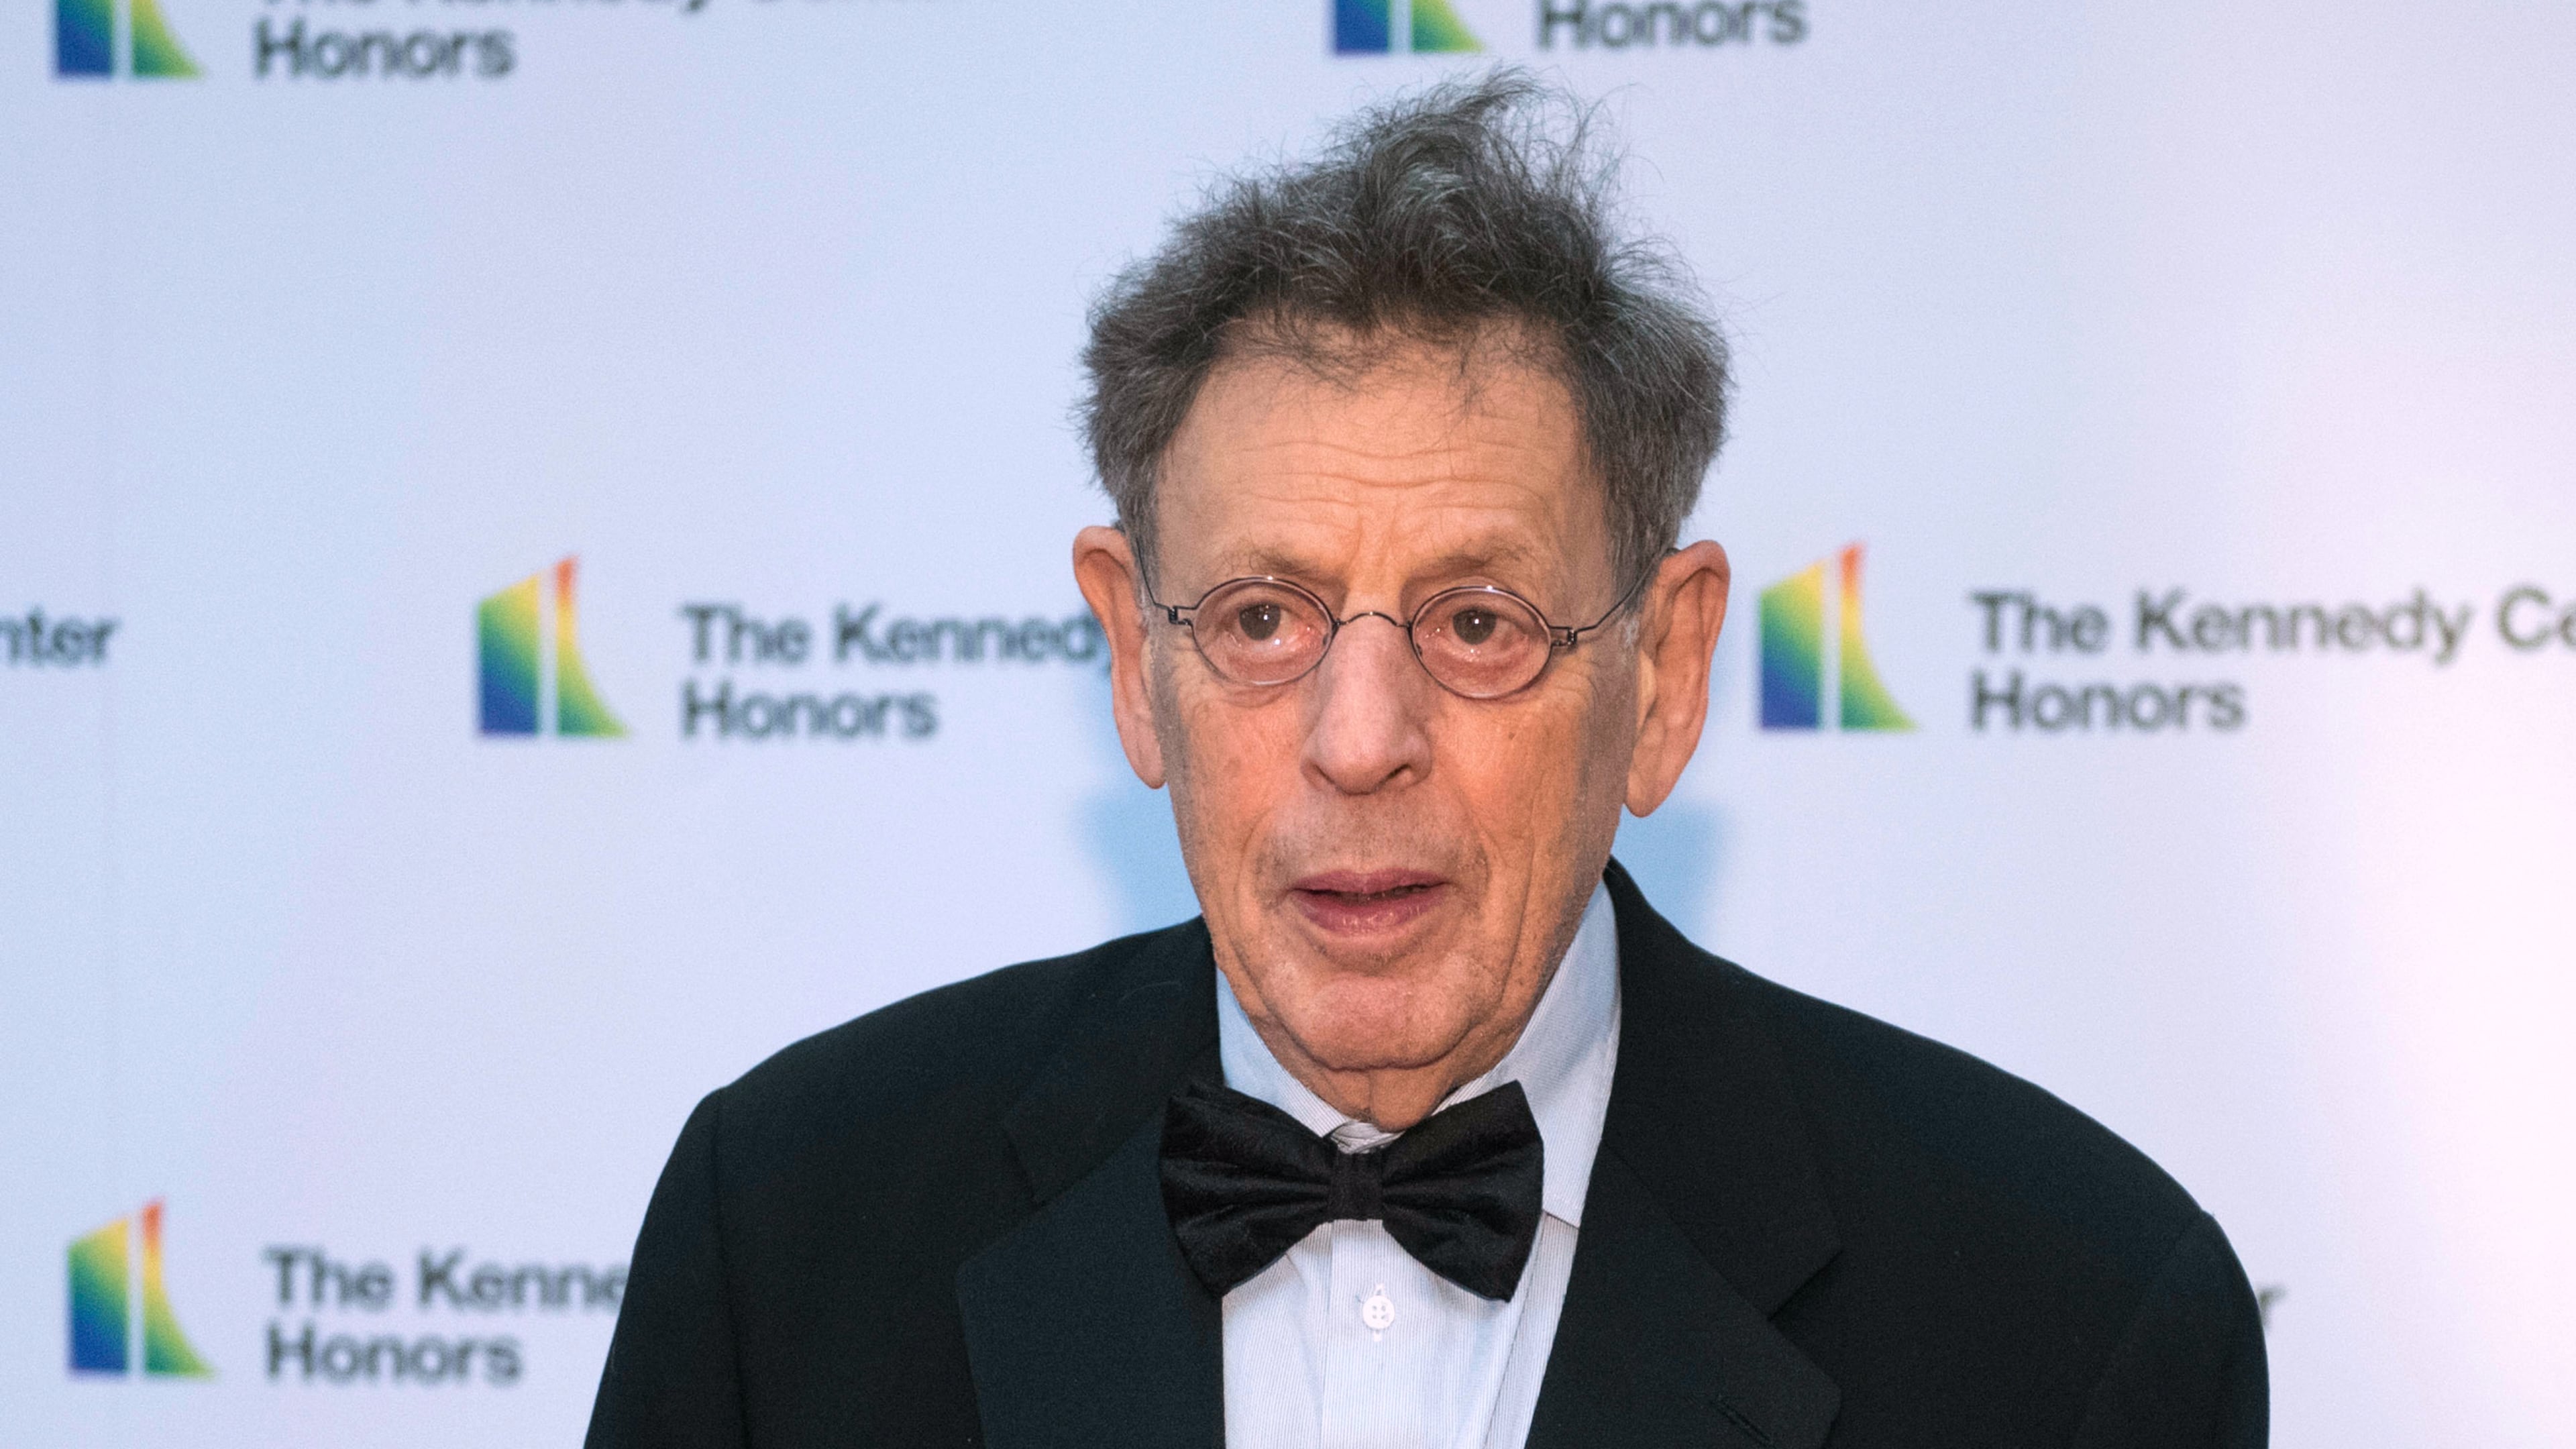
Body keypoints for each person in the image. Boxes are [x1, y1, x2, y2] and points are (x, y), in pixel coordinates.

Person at [586, 72, 2267, 1449]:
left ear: (1665, 673)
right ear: (1131, 656)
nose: (1361, 742)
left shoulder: (2075, 1322)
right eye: (1260, 619)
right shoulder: (792, 1233)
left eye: (1477, 625)